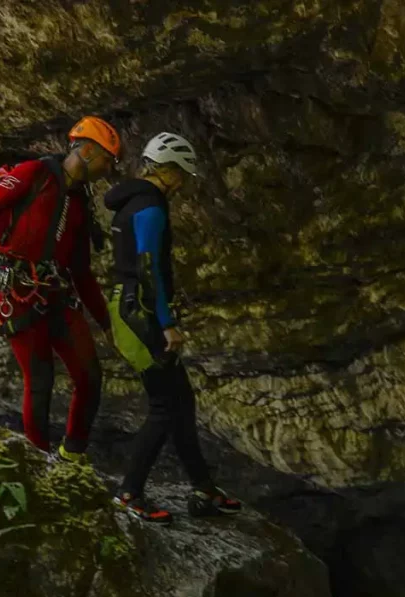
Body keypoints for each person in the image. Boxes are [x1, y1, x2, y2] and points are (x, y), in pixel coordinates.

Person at [104, 132, 242, 524]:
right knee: (165, 407)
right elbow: (149, 271)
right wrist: (168, 324)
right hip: (141, 313)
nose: (183, 182)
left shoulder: (129, 201)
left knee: (182, 401)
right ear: (165, 170)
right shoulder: (150, 207)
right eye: (181, 173)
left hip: (129, 306)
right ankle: (129, 492)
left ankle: (203, 488)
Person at [0, 116, 120, 463]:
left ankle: (72, 454)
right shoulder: (35, 173)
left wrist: (106, 323)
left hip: (56, 293)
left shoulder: (81, 204)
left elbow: (81, 272)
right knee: (39, 380)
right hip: (18, 292)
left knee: (89, 375)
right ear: (85, 150)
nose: (109, 168)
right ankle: (38, 461)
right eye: (107, 159)